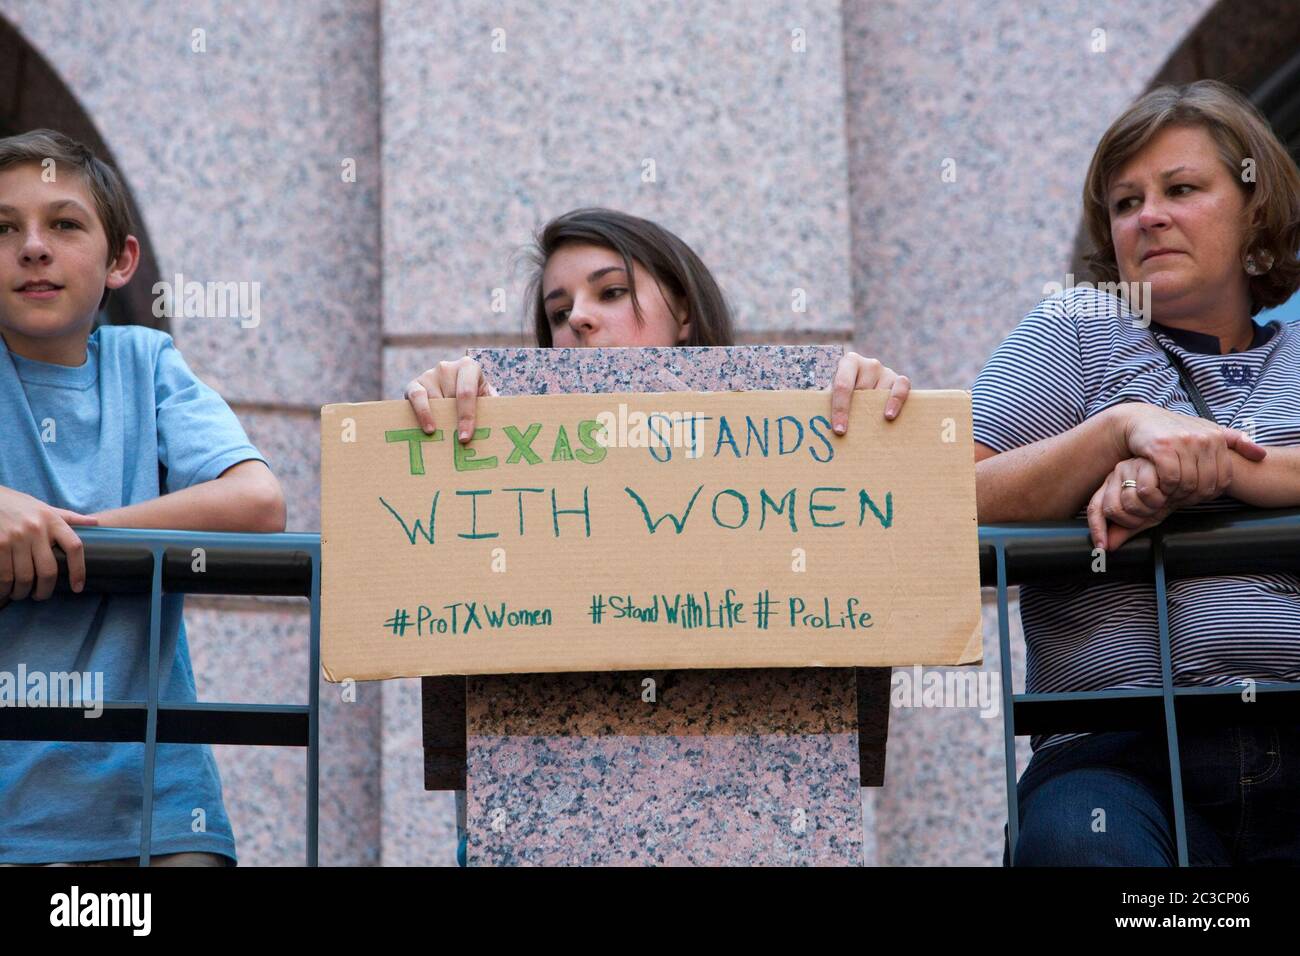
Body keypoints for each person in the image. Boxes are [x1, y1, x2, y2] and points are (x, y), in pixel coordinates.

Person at [403, 207, 914, 865]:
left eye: (610, 292)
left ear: (685, 314)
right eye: (558, 313)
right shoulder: (508, 470)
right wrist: (445, 428)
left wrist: (878, 423)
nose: (579, 319)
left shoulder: (790, 449)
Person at [972, 81, 1300, 865]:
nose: (1147, 216)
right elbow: (936, 495)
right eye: (1125, 203)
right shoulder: (1077, 329)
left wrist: (1220, 471)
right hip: (1118, 757)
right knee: (1075, 848)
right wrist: (1114, 434)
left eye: (1181, 190)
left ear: (1256, 212)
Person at [0, 130, 286, 865]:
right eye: (3, 229)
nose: (33, 247)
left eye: (64, 223)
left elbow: (256, 502)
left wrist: (75, 537)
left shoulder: (145, 362)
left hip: (157, 806)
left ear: (122, 260)